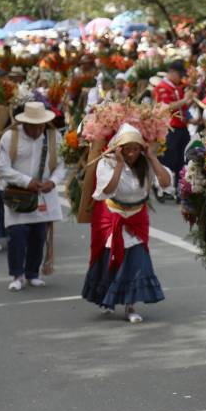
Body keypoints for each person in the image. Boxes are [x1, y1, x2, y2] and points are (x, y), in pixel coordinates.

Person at [82, 123, 171, 322]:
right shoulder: (108, 163)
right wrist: (120, 164)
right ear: (119, 148)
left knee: (137, 260)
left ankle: (130, 306)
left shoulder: (146, 163)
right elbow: (107, 190)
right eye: (127, 149)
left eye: (136, 148)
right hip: (112, 215)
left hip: (137, 218)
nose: (132, 153)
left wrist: (152, 157)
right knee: (110, 259)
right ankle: (107, 299)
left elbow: (165, 183)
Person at [0, 102, 66, 291]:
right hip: (17, 194)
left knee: (39, 234)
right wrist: (27, 181)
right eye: (33, 126)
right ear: (25, 123)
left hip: (43, 194)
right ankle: (17, 275)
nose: (37, 130)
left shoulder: (54, 137)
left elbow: (62, 164)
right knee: (17, 234)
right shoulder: (11, 137)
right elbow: (2, 167)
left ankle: (32, 273)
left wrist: (53, 181)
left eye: (40, 126)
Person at [154, 61, 194, 201]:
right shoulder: (162, 87)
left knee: (182, 159)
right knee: (168, 159)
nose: (180, 78)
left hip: (181, 127)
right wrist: (184, 100)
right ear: (172, 72)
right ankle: (162, 188)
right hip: (170, 128)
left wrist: (190, 100)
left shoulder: (177, 88)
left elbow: (182, 108)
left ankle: (178, 189)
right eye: (179, 74)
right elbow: (167, 107)